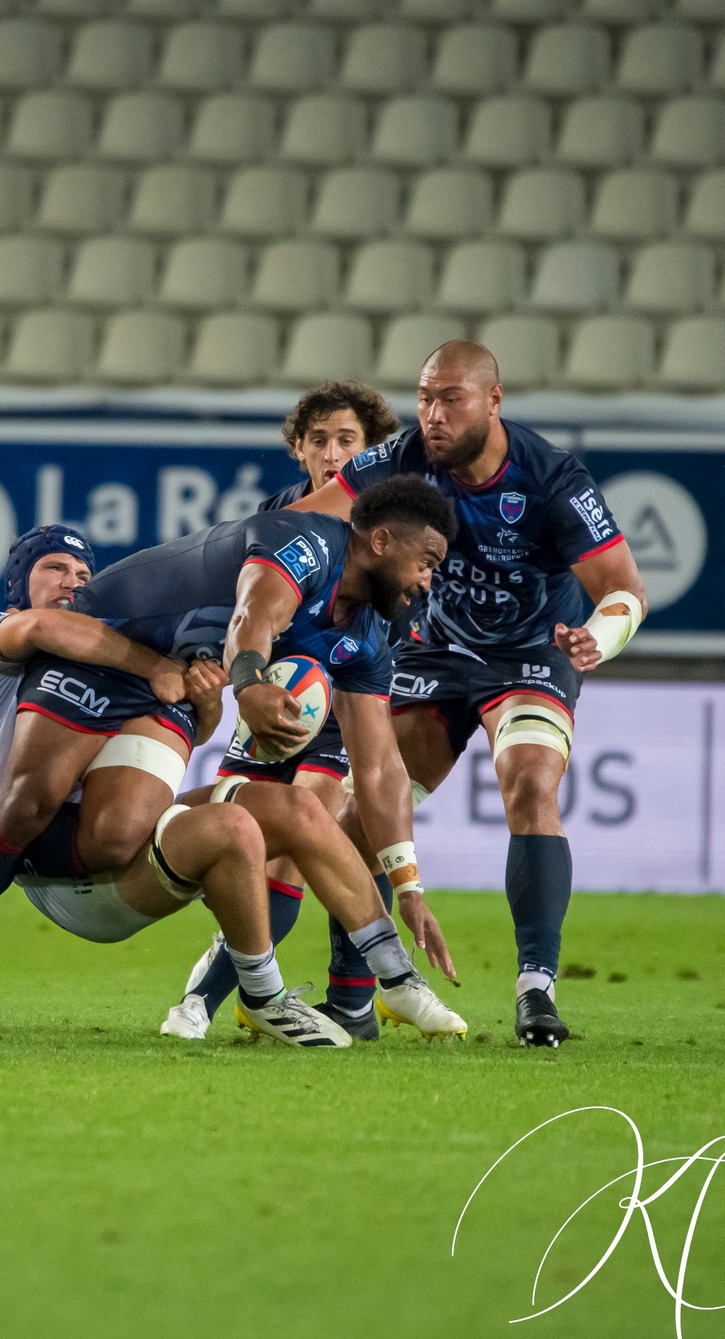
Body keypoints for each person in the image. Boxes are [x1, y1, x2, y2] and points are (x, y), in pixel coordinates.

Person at [0, 479, 464, 1041]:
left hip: (166, 682)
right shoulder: (306, 544)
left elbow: (378, 766)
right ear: (383, 541)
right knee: (43, 806)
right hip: (108, 652)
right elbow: (255, 612)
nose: (428, 580)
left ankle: (380, 978)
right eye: (427, 561)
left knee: (264, 815)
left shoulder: (367, 632)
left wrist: (409, 884)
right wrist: (246, 682)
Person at [290, 340, 649, 1048]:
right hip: (437, 649)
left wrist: (596, 640)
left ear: (494, 399)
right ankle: (353, 998)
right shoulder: (404, 458)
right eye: (424, 397)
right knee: (367, 814)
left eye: (450, 398)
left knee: (529, 781)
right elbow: (312, 516)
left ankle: (536, 989)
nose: (432, 414)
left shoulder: (552, 480)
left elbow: (625, 590)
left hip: (531, 652)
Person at [160, 381, 428, 1042]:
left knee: (318, 826)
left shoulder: (400, 527)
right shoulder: (278, 518)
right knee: (255, 841)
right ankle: (226, 994)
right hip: (279, 698)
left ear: (371, 454)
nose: (333, 453)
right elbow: (241, 610)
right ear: (298, 449)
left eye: (348, 441)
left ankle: (332, 999)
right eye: (319, 440)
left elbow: (399, 621)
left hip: (350, 702)